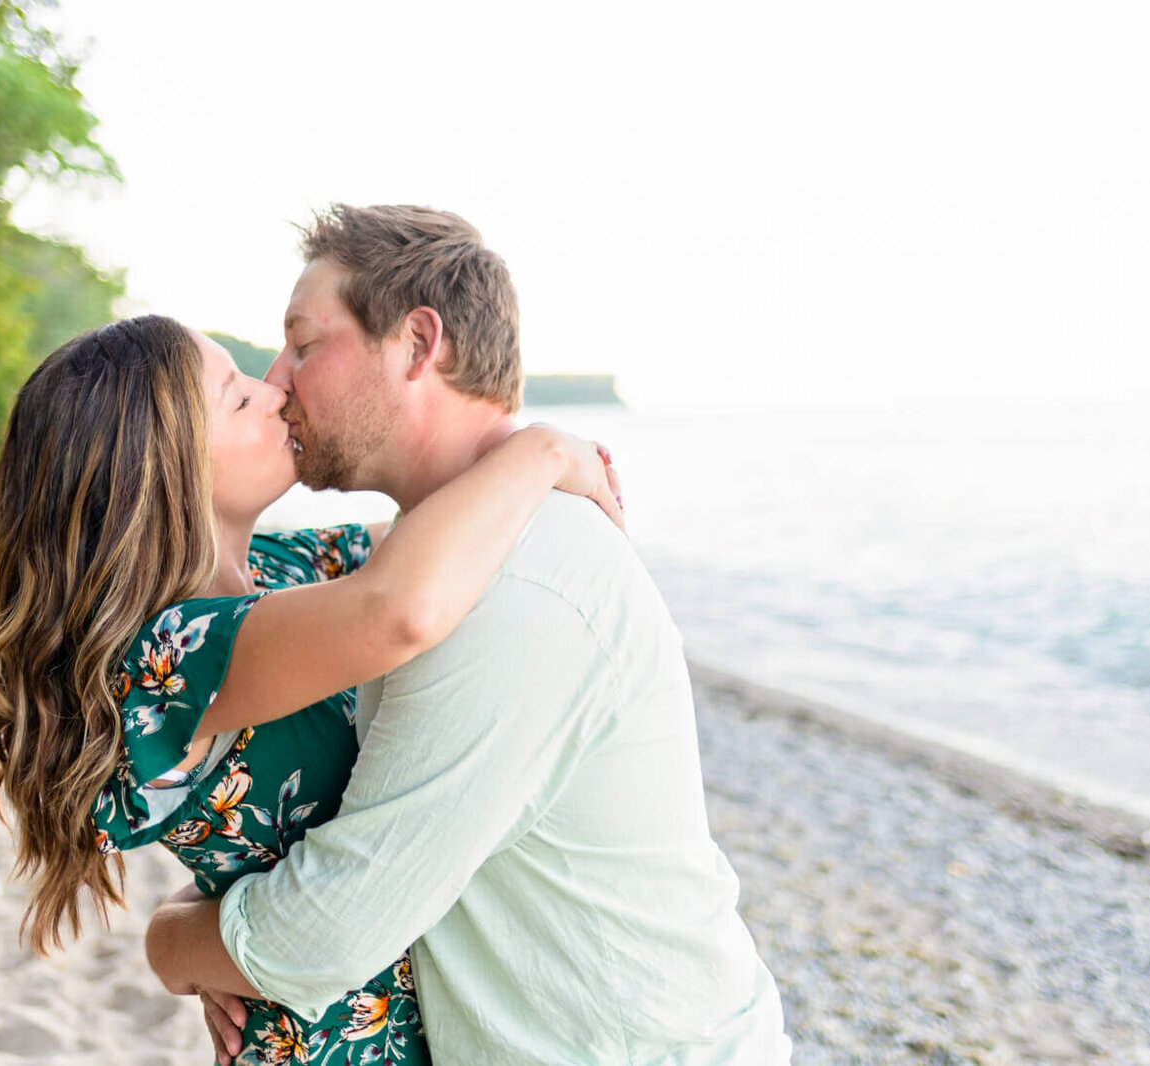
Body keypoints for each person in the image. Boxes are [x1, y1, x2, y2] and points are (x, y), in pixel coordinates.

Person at [146, 205, 793, 1064]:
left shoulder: (511, 582)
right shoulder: (424, 561)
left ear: (419, 344)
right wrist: (540, 453)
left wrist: (175, 947)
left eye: (305, 343)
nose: (281, 378)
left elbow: (327, 931)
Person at [0, 313, 623, 1065]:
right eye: (237, 398)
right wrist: (539, 451)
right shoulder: (163, 657)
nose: (275, 387)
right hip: (327, 1044)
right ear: (164, 467)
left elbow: (427, 542)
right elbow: (401, 609)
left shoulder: (282, 569)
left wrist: (186, 932)